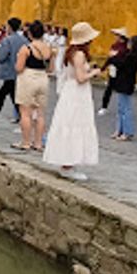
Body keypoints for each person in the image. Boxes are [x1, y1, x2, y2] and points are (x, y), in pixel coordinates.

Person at [43, 22, 102, 181]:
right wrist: (94, 72)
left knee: (70, 123)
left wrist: (87, 70)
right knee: (75, 123)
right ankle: (68, 165)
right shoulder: (80, 55)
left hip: (71, 91)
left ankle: (68, 161)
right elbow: (81, 78)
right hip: (77, 93)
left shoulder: (71, 53)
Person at [13, 20, 53, 151]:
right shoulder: (49, 49)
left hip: (28, 78)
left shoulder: (26, 48)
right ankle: (38, 143)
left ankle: (26, 142)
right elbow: (51, 69)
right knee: (40, 114)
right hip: (43, 78)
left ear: (29, 34)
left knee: (25, 112)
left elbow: (19, 68)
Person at [0, 17, 27, 127]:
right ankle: (21, 119)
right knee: (12, 96)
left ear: (9, 27)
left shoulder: (7, 40)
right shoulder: (24, 40)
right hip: (20, 71)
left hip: (9, 71)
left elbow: (2, 56)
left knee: (3, 95)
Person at [110, 35, 137, 141]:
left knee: (125, 108)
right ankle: (119, 130)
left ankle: (127, 131)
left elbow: (121, 64)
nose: (128, 44)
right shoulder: (132, 55)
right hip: (125, 82)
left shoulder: (132, 57)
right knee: (122, 107)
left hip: (126, 83)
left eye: (130, 43)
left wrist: (113, 57)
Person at [98, 27, 129, 116]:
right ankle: (104, 107)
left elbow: (125, 60)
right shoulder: (114, 45)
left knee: (121, 91)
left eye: (117, 35)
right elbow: (110, 58)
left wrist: (115, 57)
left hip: (122, 71)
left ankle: (122, 109)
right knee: (109, 89)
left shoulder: (126, 47)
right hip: (113, 69)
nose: (116, 37)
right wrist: (103, 68)